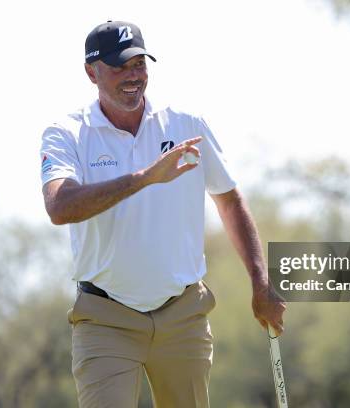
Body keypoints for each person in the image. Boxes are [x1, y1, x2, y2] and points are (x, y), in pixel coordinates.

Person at [40, 20, 286, 408]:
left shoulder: (186, 124)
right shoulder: (67, 133)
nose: (132, 76)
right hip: (106, 318)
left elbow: (228, 199)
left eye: (138, 64)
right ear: (91, 72)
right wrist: (144, 178)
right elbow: (59, 206)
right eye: (119, 67)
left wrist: (260, 281)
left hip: (183, 315)